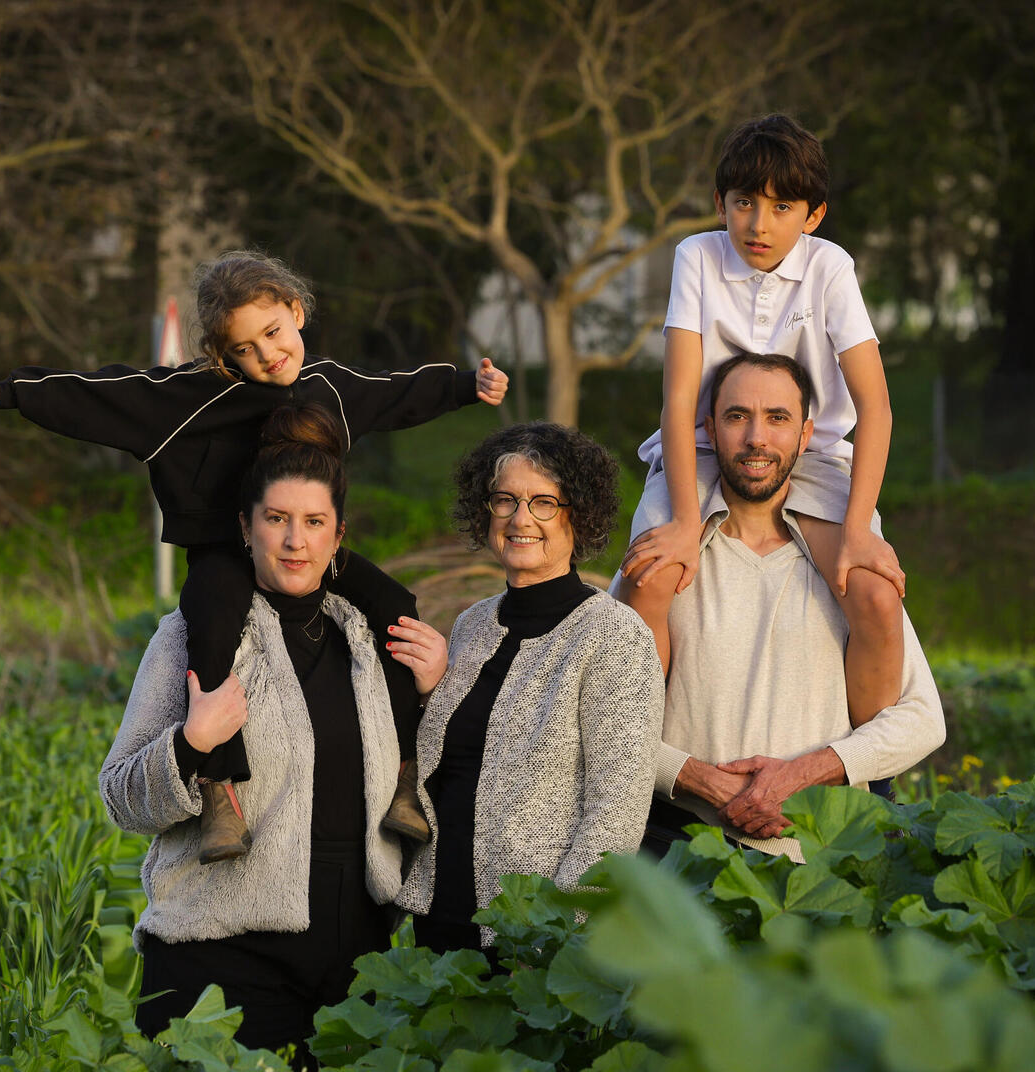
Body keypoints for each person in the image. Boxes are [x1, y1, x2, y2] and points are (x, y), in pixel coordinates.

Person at [0, 250, 508, 861]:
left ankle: (404, 775)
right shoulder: (194, 396)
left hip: (308, 553)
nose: (268, 355)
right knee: (211, 628)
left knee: (397, 605)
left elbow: (396, 393)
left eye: (272, 333)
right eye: (245, 348)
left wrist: (464, 386)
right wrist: (9, 395)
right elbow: (104, 394)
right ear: (225, 356)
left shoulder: (331, 389)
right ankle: (220, 791)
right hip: (222, 552)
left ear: (296, 312)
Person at [100, 404, 446, 1059]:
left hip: (355, 972)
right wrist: (191, 743)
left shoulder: (369, 642)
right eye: (277, 519)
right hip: (221, 966)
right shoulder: (188, 638)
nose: (295, 541)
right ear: (245, 526)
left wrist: (432, 695)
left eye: (313, 522)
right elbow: (121, 793)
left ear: (338, 535)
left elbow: (432, 780)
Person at [617, 113, 906, 739]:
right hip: (702, 449)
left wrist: (857, 529)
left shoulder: (830, 268)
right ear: (720, 203)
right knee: (650, 583)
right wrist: (688, 524)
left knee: (877, 597)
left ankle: (868, 785)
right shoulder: (695, 255)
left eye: (782, 207)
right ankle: (641, 761)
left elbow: (876, 406)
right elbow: (677, 400)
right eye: (744, 203)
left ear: (814, 215)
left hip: (811, 458)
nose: (759, 224)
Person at [641, 353, 946, 864]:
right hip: (683, 846)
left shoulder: (846, 571)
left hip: (826, 854)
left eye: (777, 418)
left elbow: (922, 722)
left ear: (805, 436)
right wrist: (706, 784)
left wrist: (807, 773)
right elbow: (606, 718)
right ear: (710, 430)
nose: (757, 437)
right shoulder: (666, 564)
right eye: (737, 417)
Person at [392, 423, 664, 955]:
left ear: (577, 515)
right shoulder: (472, 625)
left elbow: (616, 814)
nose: (521, 519)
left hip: (531, 936)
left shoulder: (613, 633)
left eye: (544, 503)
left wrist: (556, 932)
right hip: (439, 920)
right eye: (506, 501)